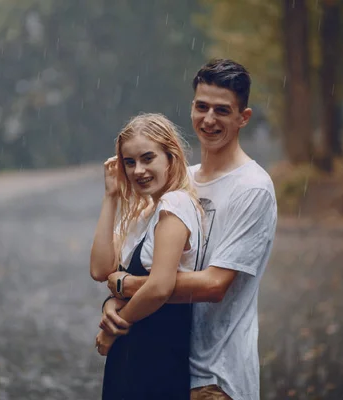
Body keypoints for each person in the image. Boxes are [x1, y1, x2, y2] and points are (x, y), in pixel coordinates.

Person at [100, 59, 278, 400]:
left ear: (244, 118)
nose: (209, 119)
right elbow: (139, 259)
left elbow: (214, 284)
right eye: (202, 107)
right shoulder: (182, 181)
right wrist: (114, 301)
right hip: (168, 363)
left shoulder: (253, 188)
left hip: (216, 376)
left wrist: (129, 286)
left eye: (222, 110)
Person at [89, 113, 203, 399]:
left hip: (158, 356)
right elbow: (100, 269)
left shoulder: (175, 204)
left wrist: (113, 328)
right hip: (130, 355)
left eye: (148, 158)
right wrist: (111, 196)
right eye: (130, 162)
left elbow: (160, 286)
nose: (138, 170)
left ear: (170, 157)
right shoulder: (142, 212)